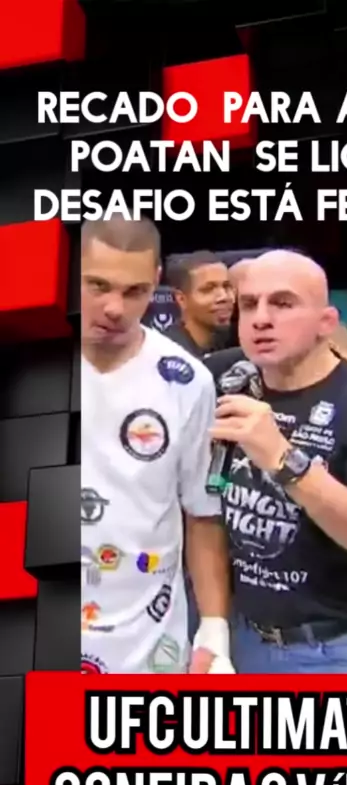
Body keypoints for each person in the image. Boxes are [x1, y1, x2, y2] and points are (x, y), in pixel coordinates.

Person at [81, 215, 233, 674]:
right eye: (97, 285)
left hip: (148, 645)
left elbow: (202, 511)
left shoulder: (188, 381)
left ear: (157, 283)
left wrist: (214, 630)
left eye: (135, 291)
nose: (114, 308)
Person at [206, 250, 347, 674]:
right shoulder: (226, 379)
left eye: (282, 303)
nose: (260, 319)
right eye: (249, 304)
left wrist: (283, 459)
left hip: (336, 650)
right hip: (244, 637)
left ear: (326, 322)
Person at [163, 250, 235, 357]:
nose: (224, 297)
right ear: (182, 299)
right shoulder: (169, 352)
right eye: (208, 289)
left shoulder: (232, 340)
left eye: (226, 286)